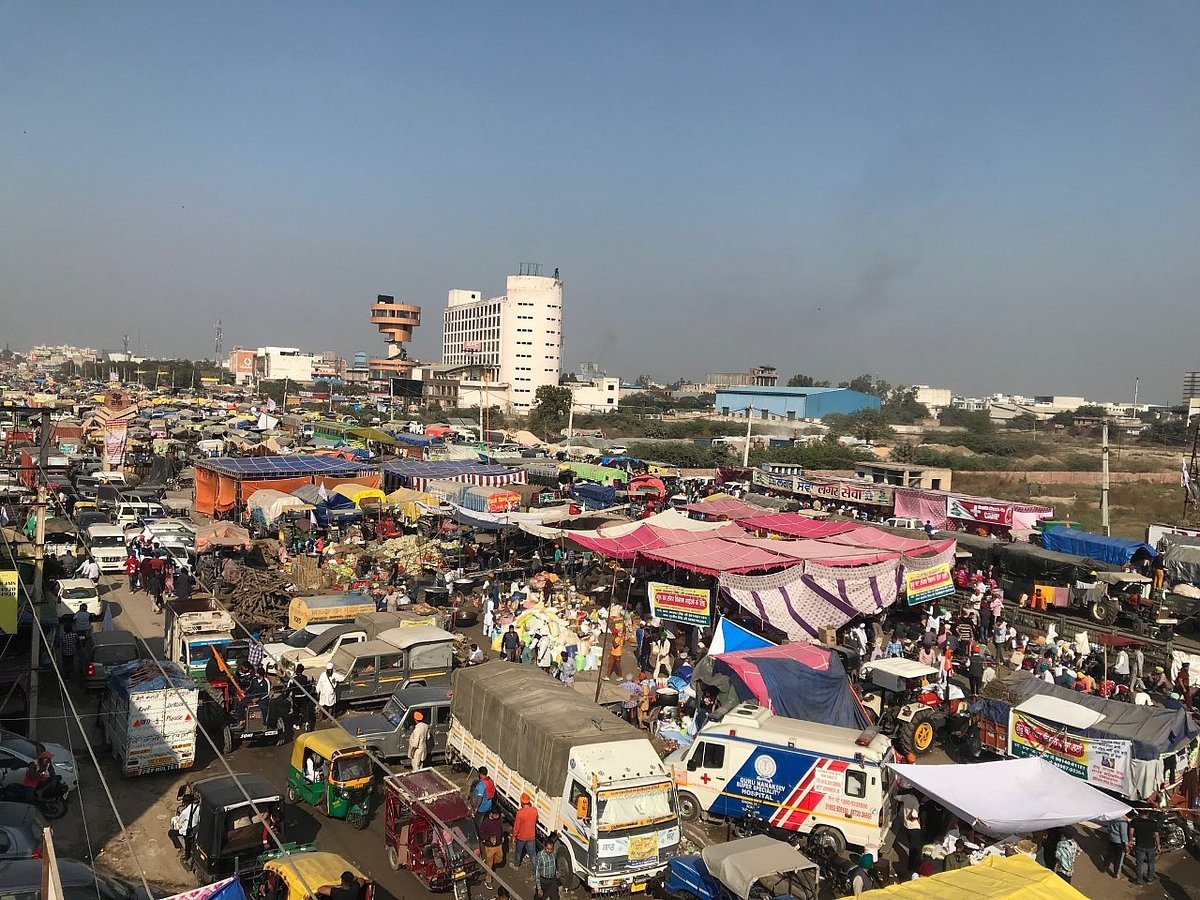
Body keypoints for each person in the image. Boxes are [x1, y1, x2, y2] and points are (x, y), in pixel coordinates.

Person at [1130, 807, 1160, 884]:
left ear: (1139, 813)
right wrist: (1158, 846)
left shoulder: (1135, 821)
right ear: (1148, 813)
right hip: (1150, 845)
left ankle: (1139, 880)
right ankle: (1150, 879)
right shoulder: (1153, 823)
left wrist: (1131, 840)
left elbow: (1131, 832)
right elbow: (1156, 835)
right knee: (1151, 863)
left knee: (1139, 863)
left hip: (1139, 845)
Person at [478, 807, 505, 887]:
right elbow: (481, 834)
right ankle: (488, 880)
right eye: (496, 815)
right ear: (491, 814)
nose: (497, 816)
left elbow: (500, 828)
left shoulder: (498, 819)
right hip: (490, 847)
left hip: (499, 845)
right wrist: (489, 838)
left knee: (500, 859)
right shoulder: (485, 823)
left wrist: (502, 836)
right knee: (490, 865)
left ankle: (488, 863)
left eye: (498, 815)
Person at [512, 792, 539, 872]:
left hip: (521, 837)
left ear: (522, 802)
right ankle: (536, 869)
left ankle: (516, 864)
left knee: (518, 852)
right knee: (533, 854)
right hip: (531, 836)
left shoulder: (520, 813)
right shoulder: (534, 810)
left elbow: (516, 827)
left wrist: (514, 836)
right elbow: (536, 819)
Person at [168, 794, 200, 860]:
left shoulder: (185, 812)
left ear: (186, 802)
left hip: (188, 831)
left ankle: (183, 851)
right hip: (196, 828)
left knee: (171, 833)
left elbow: (180, 821)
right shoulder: (198, 807)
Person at [288, 664, 316, 732]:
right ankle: (307, 722)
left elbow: (289, 688)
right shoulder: (306, 678)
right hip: (303, 697)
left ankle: (297, 724)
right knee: (304, 710)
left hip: (296, 697)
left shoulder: (293, 679)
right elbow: (309, 686)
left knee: (296, 711)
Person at [534, 834, 560, 900]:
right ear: (545, 847)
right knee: (539, 896)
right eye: (548, 849)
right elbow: (537, 872)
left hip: (552, 880)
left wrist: (556, 871)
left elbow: (554, 863)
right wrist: (539, 888)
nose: (549, 851)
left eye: (551, 849)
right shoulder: (540, 856)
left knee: (555, 897)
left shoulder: (553, 854)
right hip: (543, 881)